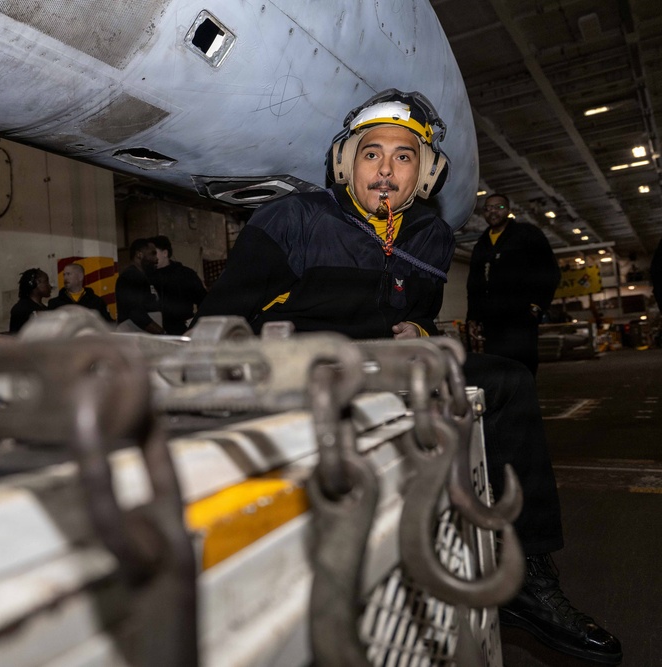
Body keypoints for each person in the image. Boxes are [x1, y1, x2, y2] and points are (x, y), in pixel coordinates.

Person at [197, 88, 622, 665]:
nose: (385, 170)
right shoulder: (291, 219)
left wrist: (421, 335)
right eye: (372, 154)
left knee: (508, 381)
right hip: (301, 374)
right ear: (347, 163)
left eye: (404, 157)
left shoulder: (431, 236)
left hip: (384, 368)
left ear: (423, 174)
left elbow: (416, 315)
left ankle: (528, 571)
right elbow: (219, 321)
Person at [466, 194, 560, 376]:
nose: (492, 211)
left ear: (509, 210)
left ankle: (526, 403)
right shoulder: (481, 245)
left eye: (498, 207)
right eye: (488, 208)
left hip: (521, 318)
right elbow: (474, 285)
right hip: (492, 323)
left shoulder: (528, 235)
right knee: (498, 371)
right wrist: (472, 317)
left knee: (523, 369)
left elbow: (550, 271)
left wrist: (537, 306)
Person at [150, 235, 207, 335]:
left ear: (165, 253)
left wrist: (194, 324)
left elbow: (203, 301)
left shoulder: (185, 274)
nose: (151, 257)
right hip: (156, 332)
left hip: (183, 331)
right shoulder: (148, 277)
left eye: (154, 253)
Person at [115, 238, 165, 334]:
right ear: (139, 255)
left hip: (145, 337)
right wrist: (161, 332)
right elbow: (135, 312)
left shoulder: (145, 277)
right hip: (134, 337)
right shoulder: (129, 277)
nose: (156, 258)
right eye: (153, 253)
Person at [47, 262, 114, 323]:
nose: (65, 278)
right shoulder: (54, 304)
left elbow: (108, 325)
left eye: (68, 274)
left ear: (80, 277)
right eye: (64, 275)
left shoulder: (97, 302)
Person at [9, 267, 51, 333]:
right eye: (46, 282)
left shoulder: (44, 308)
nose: (50, 286)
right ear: (36, 283)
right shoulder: (21, 309)